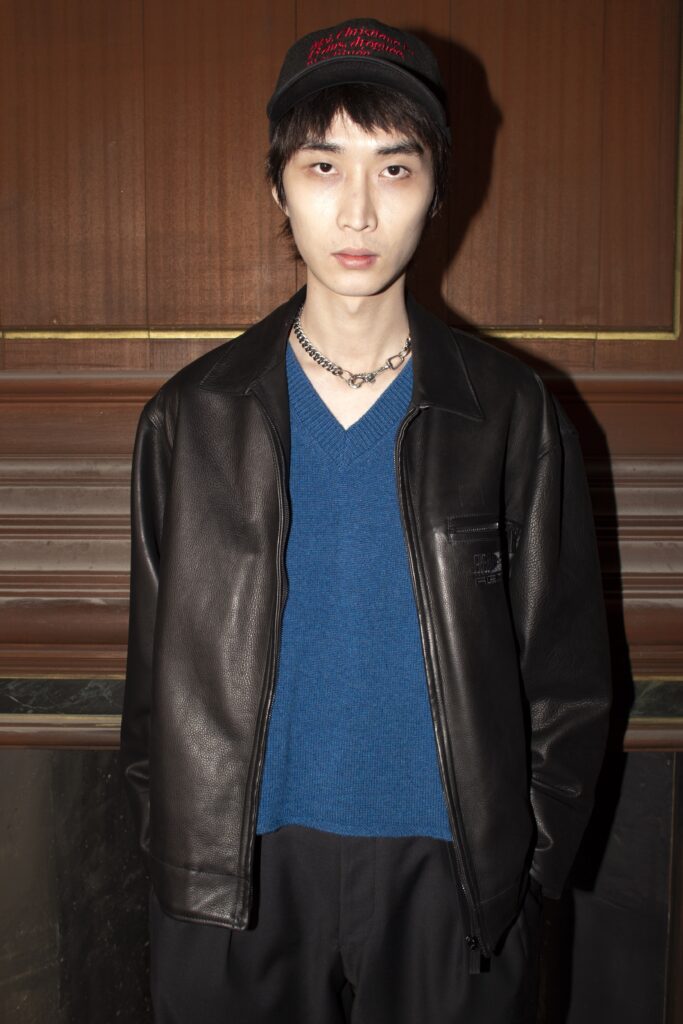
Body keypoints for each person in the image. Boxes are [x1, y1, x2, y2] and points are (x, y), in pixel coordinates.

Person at [120, 17, 611, 1023]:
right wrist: (176, 852)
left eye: (393, 168)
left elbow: (566, 675)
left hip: (453, 873)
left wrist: (531, 864)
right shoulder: (190, 418)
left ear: (437, 189)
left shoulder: (508, 412)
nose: (356, 209)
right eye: (321, 165)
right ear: (277, 187)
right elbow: (149, 690)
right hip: (236, 877)